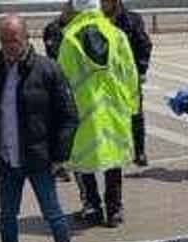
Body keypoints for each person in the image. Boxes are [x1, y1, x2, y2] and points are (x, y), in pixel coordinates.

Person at [0, 15, 78, 242]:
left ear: (26, 38)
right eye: (4, 40)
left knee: (52, 213)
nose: (9, 46)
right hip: (6, 158)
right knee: (7, 217)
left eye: (14, 40)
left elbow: (69, 116)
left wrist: (59, 156)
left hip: (38, 159)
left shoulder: (48, 69)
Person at [57, 0, 139, 228]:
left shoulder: (70, 37)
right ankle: (114, 210)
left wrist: (62, 114)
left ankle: (92, 207)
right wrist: (132, 106)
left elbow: (62, 79)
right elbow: (130, 72)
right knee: (114, 160)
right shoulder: (116, 35)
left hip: (83, 111)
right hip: (114, 109)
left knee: (81, 162)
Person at [102, 0, 152, 167]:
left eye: (105, 2)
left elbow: (145, 44)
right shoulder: (99, 19)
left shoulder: (132, 20)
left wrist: (142, 70)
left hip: (128, 75)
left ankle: (140, 152)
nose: (102, 4)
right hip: (106, 77)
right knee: (107, 114)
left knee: (135, 114)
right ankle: (112, 149)